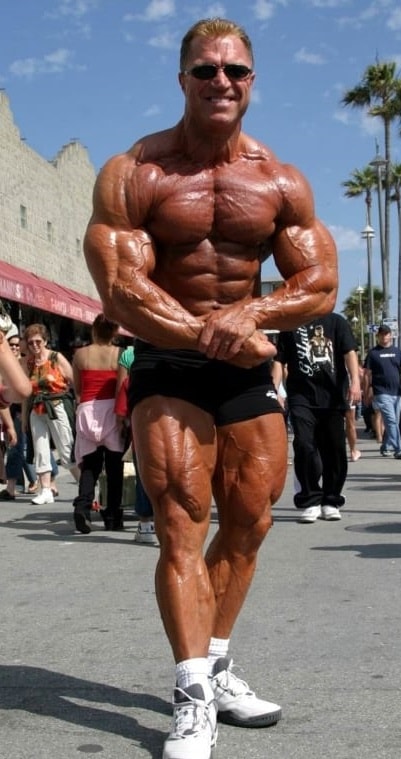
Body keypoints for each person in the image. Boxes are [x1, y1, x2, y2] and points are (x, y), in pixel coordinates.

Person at [83, 17, 338, 759]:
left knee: (253, 517)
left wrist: (246, 313)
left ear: (252, 81)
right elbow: (122, 288)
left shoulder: (279, 179)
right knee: (181, 520)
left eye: (235, 70)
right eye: (205, 70)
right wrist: (204, 332)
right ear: (183, 79)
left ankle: (219, 663)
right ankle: (191, 694)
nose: (220, 81)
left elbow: (318, 281)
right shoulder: (135, 172)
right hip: (169, 360)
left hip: (245, 358)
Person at [271, 313, 361, 524]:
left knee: (335, 449)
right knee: (304, 444)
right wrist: (274, 389)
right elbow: (279, 360)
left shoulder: (337, 322)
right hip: (301, 396)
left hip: (332, 397)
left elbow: (349, 352)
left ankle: (331, 500)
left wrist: (355, 381)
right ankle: (310, 500)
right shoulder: (290, 324)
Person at [72, 314, 125, 534]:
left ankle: (83, 507)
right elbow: (121, 386)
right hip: (112, 410)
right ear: (114, 332)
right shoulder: (119, 354)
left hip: (87, 408)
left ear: (93, 330)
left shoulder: (80, 354)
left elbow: (77, 388)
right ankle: (112, 515)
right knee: (114, 466)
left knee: (89, 465)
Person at [20, 324, 79, 505]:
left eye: (38, 341)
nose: (35, 346)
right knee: (40, 450)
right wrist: (24, 418)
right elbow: (24, 393)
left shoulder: (56, 358)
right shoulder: (26, 363)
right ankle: (45, 490)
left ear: (45, 341)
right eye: (30, 343)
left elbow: (74, 381)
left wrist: (79, 406)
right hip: (36, 409)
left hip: (57, 405)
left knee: (66, 448)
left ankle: (85, 487)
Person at [114, 345, 157, 545]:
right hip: (171, 437)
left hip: (141, 436)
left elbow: (121, 413)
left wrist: (122, 427)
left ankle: (146, 524)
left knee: (144, 478)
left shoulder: (129, 382)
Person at [363, 325, 401, 459]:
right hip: (381, 392)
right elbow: (366, 374)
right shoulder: (373, 353)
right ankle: (399, 448)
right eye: (382, 334)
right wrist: (366, 392)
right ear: (378, 336)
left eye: (387, 334)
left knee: (393, 421)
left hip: (397, 392)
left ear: (391, 335)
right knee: (391, 420)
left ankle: (386, 446)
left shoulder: (397, 352)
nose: (384, 337)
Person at [0, 330, 38, 500]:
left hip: (23, 412)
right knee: (21, 449)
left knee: (23, 448)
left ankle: (34, 481)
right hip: (17, 409)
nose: (14, 347)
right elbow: (22, 390)